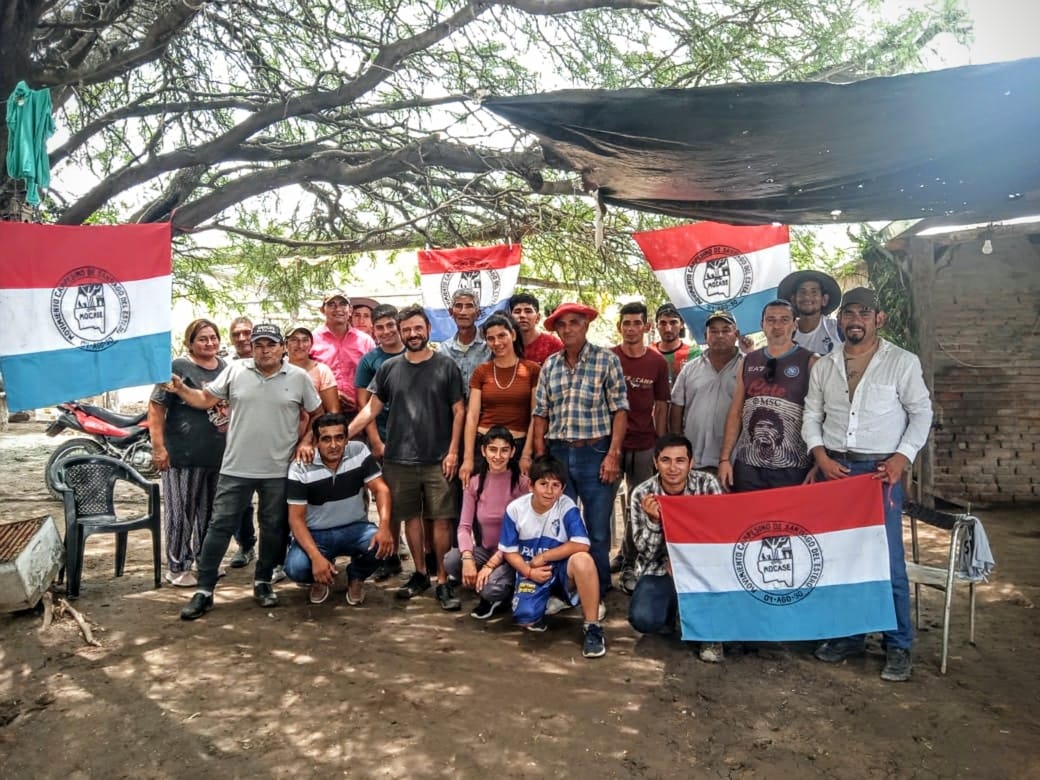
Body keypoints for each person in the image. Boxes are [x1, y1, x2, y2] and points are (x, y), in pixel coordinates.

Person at [802, 287, 933, 682]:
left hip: (879, 474)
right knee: (841, 559)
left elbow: (921, 413)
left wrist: (901, 458)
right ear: (839, 320)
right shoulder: (825, 365)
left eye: (863, 313)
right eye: (848, 314)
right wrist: (820, 456)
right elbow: (812, 415)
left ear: (879, 319)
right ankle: (850, 636)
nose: (855, 320)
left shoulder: (902, 362)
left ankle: (898, 644)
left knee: (887, 562)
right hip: (836, 472)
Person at [173, 324, 322, 620]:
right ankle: (204, 589)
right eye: (258, 345)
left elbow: (317, 414)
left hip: (278, 469)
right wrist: (181, 388)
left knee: (273, 526)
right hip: (236, 467)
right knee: (220, 526)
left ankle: (263, 581)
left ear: (282, 347)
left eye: (270, 344)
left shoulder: (298, 377)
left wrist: (306, 441)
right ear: (251, 348)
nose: (264, 350)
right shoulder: (236, 371)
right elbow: (205, 399)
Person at [347, 305, 466, 610]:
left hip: (439, 459)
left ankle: (443, 579)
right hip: (398, 459)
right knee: (410, 518)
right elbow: (371, 408)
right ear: (401, 333)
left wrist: (454, 451)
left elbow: (459, 411)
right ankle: (420, 573)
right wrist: (342, 435)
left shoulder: (446, 366)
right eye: (407, 329)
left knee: (441, 521)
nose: (413, 334)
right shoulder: (388, 368)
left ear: (428, 329)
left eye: (418, 328)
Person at [531, 301, 628, 597]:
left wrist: (613, 454)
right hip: (558, 452)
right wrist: (541, 457)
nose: (568, 329)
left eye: (574, 322)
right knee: (559, 524)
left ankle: (598, 588)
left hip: (595, 452)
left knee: (597, 528)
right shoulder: (550, 365)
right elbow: (541, 412)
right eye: (562, 324)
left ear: (586, 325)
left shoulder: (606, 360)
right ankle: (564, 586)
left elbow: (620, 410)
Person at [627, 434, 724, 662]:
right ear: (655, 462)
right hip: (660, 568)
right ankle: (669, 613)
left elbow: (718, 536)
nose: (672, 468)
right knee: (644, 618)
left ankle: (711, 634)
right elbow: (645, 552)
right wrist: (654, 522)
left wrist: (684, 561)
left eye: (680, 461)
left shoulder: (707, 485)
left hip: (702, 568)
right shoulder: (642, 493)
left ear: (691, 463)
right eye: (665, 460)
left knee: (720, 586)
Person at [499, 456, 607, 658]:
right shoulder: (515, 509)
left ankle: (592, 626)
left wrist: (545, 556)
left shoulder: (566, 506)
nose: (549, 491)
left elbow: (582, 543)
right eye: (543, 484)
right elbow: (509, 551)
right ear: (531, 485)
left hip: (560, 570)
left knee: (583, 560)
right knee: (526, 618)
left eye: (555, 485)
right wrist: (528, 571)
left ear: (562, 488)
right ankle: (550, 599)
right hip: (533, 571)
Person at [148, 319, 229, 587]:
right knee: (181, 513)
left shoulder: (225, 368)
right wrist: (158, 447)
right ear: (190, 343)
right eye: (202, 339)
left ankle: (206, 561)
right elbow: (156, 407)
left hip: (217, 455)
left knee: (211, 513)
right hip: (182, 455)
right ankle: (178, 566)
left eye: (213, 337)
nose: (209, 343)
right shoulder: (178, 368)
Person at [284, 413, 394, 605]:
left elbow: (381, 489)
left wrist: (385, 526)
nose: (333, 445)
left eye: (339, 438)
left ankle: (356, 576)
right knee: (296, 568)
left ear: (346, 439)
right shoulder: (300, 466)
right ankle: (320, 577)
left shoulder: (359, 451)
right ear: (316, 441)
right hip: (316, 533)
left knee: (383, 545)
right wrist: (316, 557)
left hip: (356, 529)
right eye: (326, 439)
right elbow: (296, 519)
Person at [718, 300, 817, 492]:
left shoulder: (810, 361)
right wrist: (724, 458)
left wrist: (818, 462)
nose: (777, 326)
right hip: (748, 466)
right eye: (771, 320)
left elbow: (821, 415)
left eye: (784, 320)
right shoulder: (748, 361)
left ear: (795, 325)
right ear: (762, 324)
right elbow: (736, 412)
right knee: (747, 512)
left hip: (793, 467)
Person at [610, 301, 670, 593]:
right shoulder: (609, 357)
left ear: (646, 326)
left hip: (645, 444)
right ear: (619, 327)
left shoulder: (657, 362)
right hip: (611, 445)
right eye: (626, 323)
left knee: (639, 505)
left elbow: (661, 404)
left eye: (637, 323)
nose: (631, 328)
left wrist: (661, 443)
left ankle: (629, 563)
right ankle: (603, 560)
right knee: (603, 505)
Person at [444, 427, 530, 619]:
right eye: (492, 449)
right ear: (483, 451)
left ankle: (501, 593)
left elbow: (522, 532)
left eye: (504, 450)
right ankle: (487, 582)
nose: (498, 456)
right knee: (452, 560)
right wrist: (468, 558)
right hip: (486, 550)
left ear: (512, 452)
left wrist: (491, 565)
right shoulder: (475, 483)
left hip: (512, 555)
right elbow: (464, 527)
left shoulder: (523, 484)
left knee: (490, 589)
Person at [355, 303, 406, 581]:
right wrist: (375, 441)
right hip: (385, 438)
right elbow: (365, 405)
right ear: (373, 331)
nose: (386, 331)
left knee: (417, 505)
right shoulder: (370, 361)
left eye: (390, 325)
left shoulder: (416, 352)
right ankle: (390, 556)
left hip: (418, 441)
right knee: (389, 500)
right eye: (380, 327)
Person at [459, 313, 539, 484]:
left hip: (517, 448)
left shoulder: (532, 370)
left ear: (513, 335)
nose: (497, 343)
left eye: (502, 335)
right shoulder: (481, 371)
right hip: (484, 447)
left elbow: (536, 415)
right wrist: (468, 459)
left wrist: (526, 454)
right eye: (491, 338)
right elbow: (472, 416)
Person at [668, 311, 742, 472]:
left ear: (736, 334)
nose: (719, 335)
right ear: (705, 336)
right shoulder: (690, 369)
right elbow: (677, 406)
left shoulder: (747, 367)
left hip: (734, 461)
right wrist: (678, 445)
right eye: (713, 331)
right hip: (694, 458)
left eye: (726, 330)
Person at [310, 290, 376, 418]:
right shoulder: (312, 340)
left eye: (343, 304)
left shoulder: (365, 341)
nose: (338, 309)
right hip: (322, 414)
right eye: (331, 305)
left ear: (350, 310)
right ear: (322, 310)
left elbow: (376, 378)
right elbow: (303, 377)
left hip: (360, 413)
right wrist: (330, 395)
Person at [227, 315, 258, 568]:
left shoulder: (276, 361)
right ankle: (245, 545)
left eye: (247, 332)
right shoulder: (226, 367)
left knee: (276, 503)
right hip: (237, 444)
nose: (242, 338)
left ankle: (278, 552)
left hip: (273, 443)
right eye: (236, 334)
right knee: (240, 501)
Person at [438, 288, 491, 395]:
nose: (463, 312)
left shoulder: (490, 346)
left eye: (469, 306)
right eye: (458, 306)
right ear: (451, 312)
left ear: (478, 313)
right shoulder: (443, 350)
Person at [778, 269, 843, 355]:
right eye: (802, 292)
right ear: (793, 299)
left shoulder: (837, 329)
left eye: (814, 292)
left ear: (824, 299)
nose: (807, 297)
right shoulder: (786, 333)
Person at [285, 325, 340, 413]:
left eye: (305, 340)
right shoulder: (277, 369)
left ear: (311, 344)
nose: (300, 345)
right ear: (286, 344)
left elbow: (333, 410)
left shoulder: (322, 371)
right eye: (294, 340)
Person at [509, 292, 563, 365]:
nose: (522, 315)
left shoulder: (553, 345)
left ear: (538, 317)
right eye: (517, 312)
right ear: (510, 317)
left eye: (528, 311)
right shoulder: (504, 345)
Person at [653, 303, 700, 385]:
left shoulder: (695, 355)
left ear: (681, 324)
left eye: (673, 322)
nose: (668, 329)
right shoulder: (648, 352)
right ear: (657, 325)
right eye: (663, 323)